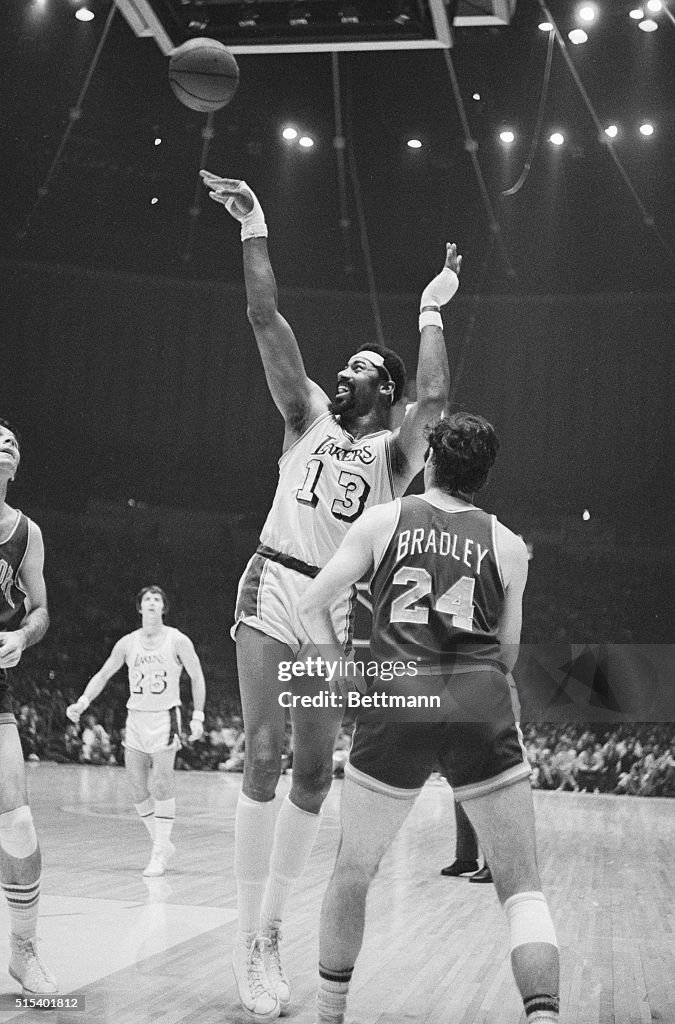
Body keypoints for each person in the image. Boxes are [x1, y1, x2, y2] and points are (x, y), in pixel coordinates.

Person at [199, 169, 460, 1021]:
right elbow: (263, 319)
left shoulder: (394, 452)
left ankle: (271, 931)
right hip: (273, 580)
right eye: (338, 368)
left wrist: (430, 307)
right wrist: (254, 226)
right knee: (265, 754)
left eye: (356, 370)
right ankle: (247, 939)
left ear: (382, 391)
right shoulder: (303, 415)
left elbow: (439, 399)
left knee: (314, 772)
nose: (338, 376)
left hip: (334, 610)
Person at [298, 414, 560, 1024]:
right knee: (523, 890)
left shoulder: (384, 519)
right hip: (477, 702)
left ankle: (330, 1014)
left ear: (432, 460)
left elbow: (314, 605)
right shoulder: (509, 544)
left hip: (398, 701)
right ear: (484, 477)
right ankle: (543, 1016)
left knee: (352, 873)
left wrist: (340, 668)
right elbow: (509, 651)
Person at [66, 586, 206, 877]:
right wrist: (83, 701)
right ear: (140, 608)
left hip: (165, 716)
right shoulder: (128, 643)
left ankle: (158, 851)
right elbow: (104, 673)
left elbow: (197, 676)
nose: (152, 602)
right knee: (136, 787)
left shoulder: (177, 640)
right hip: (136, 717)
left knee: (162, 784)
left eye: (157, 599)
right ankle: (161, 842)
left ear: (163, 608)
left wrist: (198, 716)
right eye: (147, 599)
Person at [0, 418, 57, 995]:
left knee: (16, 824)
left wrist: (21, 637)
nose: (4, 444)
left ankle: (23, 952)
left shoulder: (27, 533)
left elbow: (39, 610)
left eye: (12, 441)